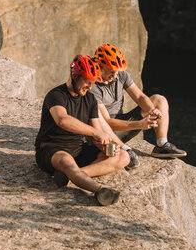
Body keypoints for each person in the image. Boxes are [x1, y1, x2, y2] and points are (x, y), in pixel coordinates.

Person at [35, 54, 131, 206]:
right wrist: (95, 132)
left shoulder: (90, 99)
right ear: (75, 75)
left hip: (77, 148)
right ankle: (99, 190)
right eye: (87, 80)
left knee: (124, 157)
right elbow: (63, 120)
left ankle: (73, 176)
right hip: (52, 149)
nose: (90, 86)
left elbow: (96, 135)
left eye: (93, 82)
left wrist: (105, 146)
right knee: (66, 161)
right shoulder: (56, 95)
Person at [89, 43, 187, 159]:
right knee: (102, 124)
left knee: (159, 100)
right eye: (111, 71)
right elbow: (107, 122)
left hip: (122, 126)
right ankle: (123, 150)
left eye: (117, 72)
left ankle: (162, 145)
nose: (115, 75)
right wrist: (139, 124)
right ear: (100, 66)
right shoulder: (91, 86)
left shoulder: (121, 75)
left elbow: (140, 97)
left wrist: (152, 110)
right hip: (105, 133)